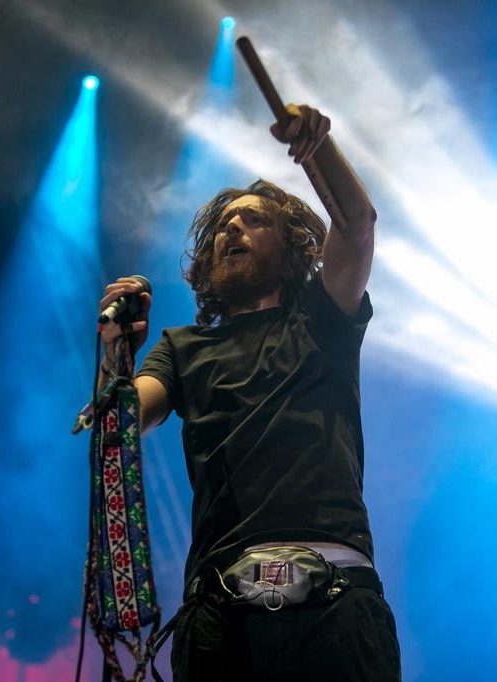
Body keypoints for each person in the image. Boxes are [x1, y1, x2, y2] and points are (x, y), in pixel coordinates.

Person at [98, 105, 401, 681]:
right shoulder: (182, 348)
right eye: (223, 225)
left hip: (335, 599)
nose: (231, 228)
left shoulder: (322, 320)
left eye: (252, 220)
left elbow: (358, 223)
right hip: (221, 612)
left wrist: (316, 148)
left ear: (291, 248)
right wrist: (117, 353)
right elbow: (118, 429)